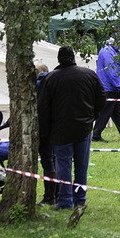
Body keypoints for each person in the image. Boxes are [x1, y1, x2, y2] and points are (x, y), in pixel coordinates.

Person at [37, 46, 103, 223]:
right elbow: (101, 99)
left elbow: (43, 107)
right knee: (81, 165)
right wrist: (92, 117)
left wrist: (46, 130)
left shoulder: (50, 79)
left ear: (58, 59)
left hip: (60, 130)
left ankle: (65, 201)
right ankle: (80, 200)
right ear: (73, 57)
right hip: (83, 127)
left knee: (63, 165)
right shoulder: (89, 75)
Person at [93, 37, 120, 142]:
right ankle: (96, 135)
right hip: (109, 88)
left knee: (117, 113)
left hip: (113, 88)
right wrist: (119, 85)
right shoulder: (108, 52)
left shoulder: (112, 51)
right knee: (105, 112)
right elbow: (111, 71)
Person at [34, 63, 58, 206]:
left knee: (48, 162)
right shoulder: (54, 82)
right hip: (56, 127)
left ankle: (50, 197)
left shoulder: (38, 84)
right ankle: (57, 193)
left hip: (44, 128)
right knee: (55, 160)